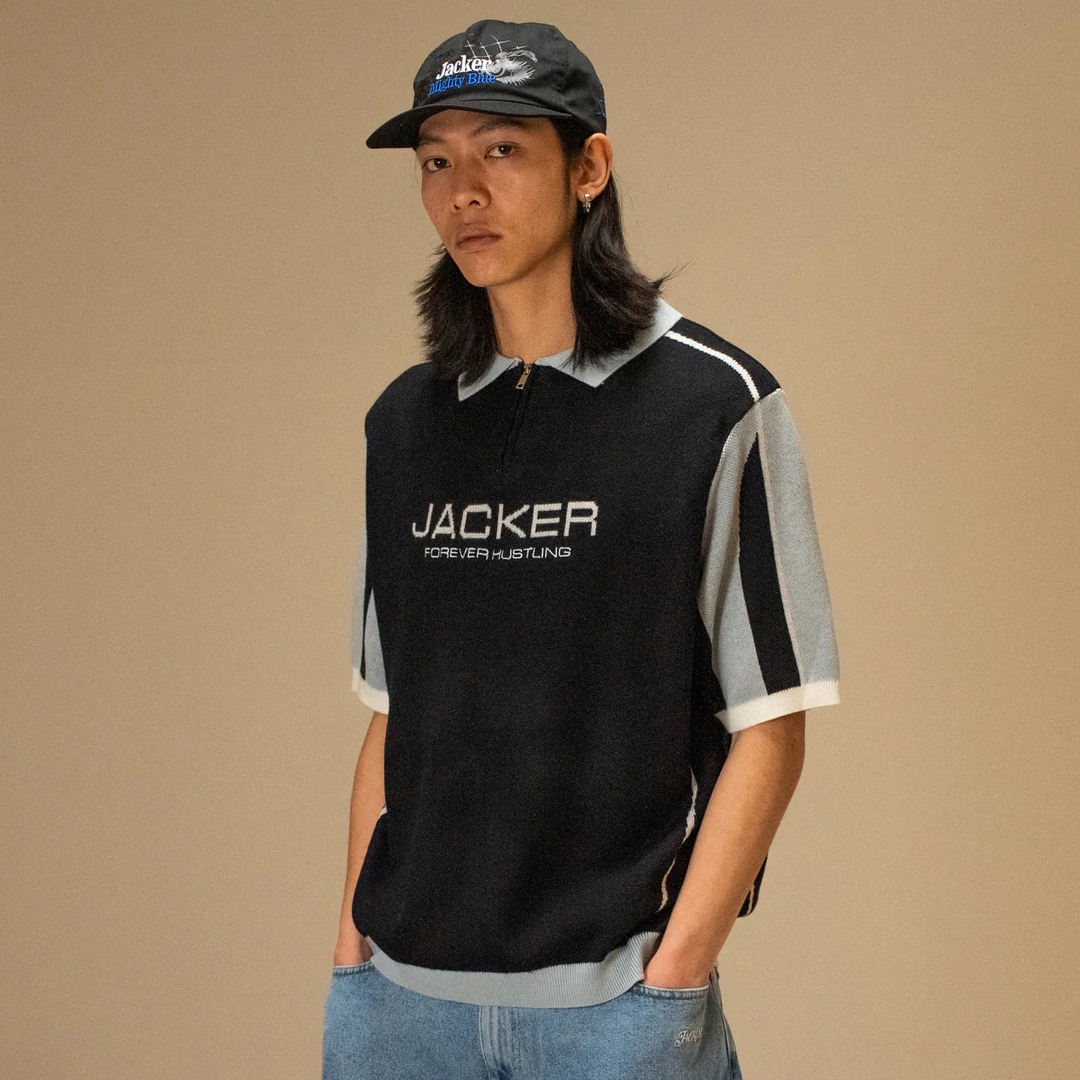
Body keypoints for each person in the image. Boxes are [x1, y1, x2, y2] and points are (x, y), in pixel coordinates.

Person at [324, 18, 840, 1080]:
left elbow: (773, 723)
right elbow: (392, 715)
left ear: (589, 167)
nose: (464, 191)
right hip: (398, 1009)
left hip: (615, 1014)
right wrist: (352, 953)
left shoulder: (713, 406)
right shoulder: (404, 425)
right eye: (436, 162)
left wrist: (674, 975)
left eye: (502, 150)